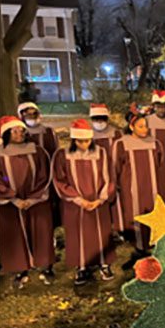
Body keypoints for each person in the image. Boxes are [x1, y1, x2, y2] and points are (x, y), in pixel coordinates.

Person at [53, 119, 117, 285]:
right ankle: (81, 268)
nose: (84, 144)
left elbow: (109, 177)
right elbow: (59, 180)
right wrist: (78, 199)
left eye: (88, 140)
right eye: (80, 141)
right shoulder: (62, 155)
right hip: (74, 204)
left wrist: (101, 198)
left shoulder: (101, 153)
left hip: (98, 202)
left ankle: (104, 264)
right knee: (77, 235)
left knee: (101, 234)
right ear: (74, 140)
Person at [0, 116, 55, 288]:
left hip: (36, 201)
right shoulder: (0, 153)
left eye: (21, 130)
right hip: (10, 204)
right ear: (7, 133)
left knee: (41, 231)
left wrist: (32, 198)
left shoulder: (37, 151)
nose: (19, 134)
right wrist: (13, 198)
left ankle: (46, 266)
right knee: (15, 235)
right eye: (14, 131)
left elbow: (44, 175)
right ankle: (20, 268)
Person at [111, 108, 165, 254]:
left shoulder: (155, 143)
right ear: (131, 127)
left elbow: (160, 163)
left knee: (154, 214)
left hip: (153, 188)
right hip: (132, 189)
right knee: (136, 215)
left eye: (146, 126)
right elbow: (115, 167)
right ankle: (139, 246)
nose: (145, 130)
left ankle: (155, 244)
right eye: (141, 126)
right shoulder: (121, 144)